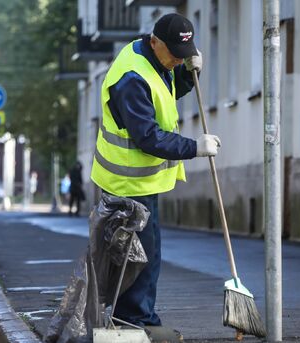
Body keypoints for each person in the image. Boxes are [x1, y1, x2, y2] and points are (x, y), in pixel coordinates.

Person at [90, 13, 221, 328]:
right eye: (175, 54)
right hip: (126, 183)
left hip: (142, 181)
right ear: (154, 41)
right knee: (139, 257)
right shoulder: (131, 77)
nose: (178, 59)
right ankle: (135, 319)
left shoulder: (155, 61)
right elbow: (147, 136)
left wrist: (189, 76)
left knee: (141, 254)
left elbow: (165, 94)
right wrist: (194, 147)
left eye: (184, 54)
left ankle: (135, 317)